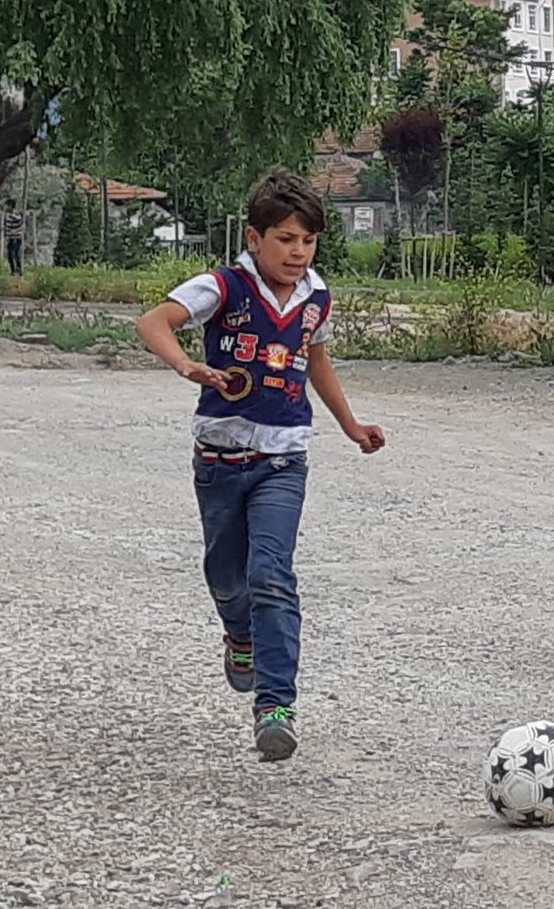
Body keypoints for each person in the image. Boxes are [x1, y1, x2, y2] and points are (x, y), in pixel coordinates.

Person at [135, 169, 385, 763]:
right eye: (285, 239)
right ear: (255, 237)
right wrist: (186, 365)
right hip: (221, 459)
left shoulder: (316, 296)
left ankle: (276, 705)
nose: (298, 252)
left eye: (308, 241)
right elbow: (153, 321)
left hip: (284, 458)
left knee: (272, 573)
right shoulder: (224, 286)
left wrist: (351, 426)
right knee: (226, 575)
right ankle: (238, 634)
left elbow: (314, 359)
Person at [3, 199, 25, 276]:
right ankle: (12, 271)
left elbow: (23, 226)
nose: (5, 208)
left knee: (14, 254)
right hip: (10, 237)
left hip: (16, 237)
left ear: (10, 206)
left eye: (6, 206)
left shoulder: (16, 216)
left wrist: (15, 230)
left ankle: (19, 270)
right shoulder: (7, 216)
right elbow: (9, 227)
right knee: (9, 255)